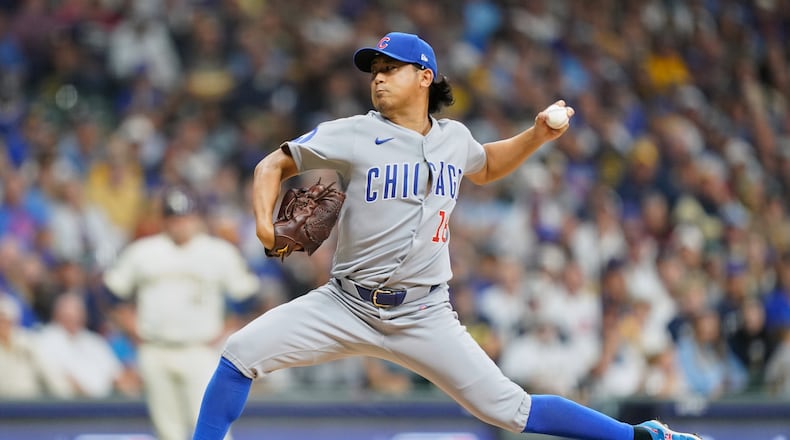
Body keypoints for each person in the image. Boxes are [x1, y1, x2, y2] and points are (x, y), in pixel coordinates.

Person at [191, 32, 701, 440]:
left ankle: (644, 436)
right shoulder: (352, 132)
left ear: (424, 77)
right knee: (238, 355)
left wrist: (538, 135)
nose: (379, 78)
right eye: (375, 71)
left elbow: (485, 164)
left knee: (510, 409)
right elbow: (271, 164)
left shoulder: (454, 139)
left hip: (423, 313)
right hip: (344, 303)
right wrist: (263, 223)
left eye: (391, 68)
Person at [103, 185, 261, 440]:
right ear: (164, 220)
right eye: (173, 217)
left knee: (213, 428)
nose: (179, 223)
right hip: (154, 348)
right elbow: (112, 293)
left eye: (185, 216)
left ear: (196, 218)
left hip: (199, 349)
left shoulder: (217, 252)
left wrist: (227, 329)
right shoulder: (144, 251)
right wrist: (130, 325)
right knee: (168, 431)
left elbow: (248, 297)